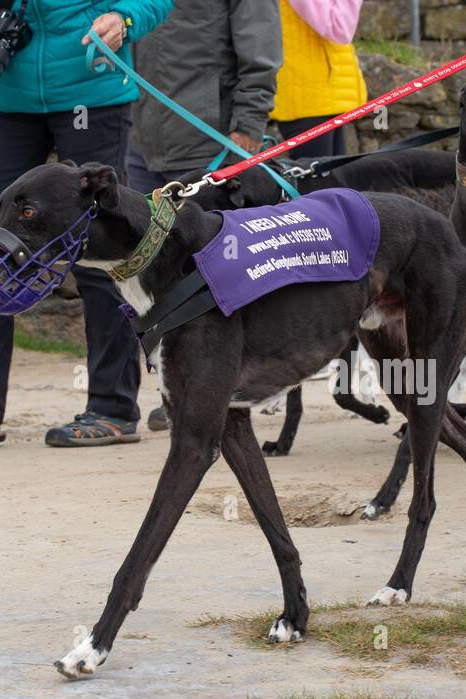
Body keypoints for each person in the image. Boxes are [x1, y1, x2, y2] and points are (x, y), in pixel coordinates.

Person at [0, 0, 172, 448]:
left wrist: (125, 19)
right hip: (8, 95)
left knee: (105, 249)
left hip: (93, 93)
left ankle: (113, 408)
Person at [124, 0, 282, 432]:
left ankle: (216, 387)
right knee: (146, 276)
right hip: (140, 142)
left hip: (207, 142)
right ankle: (162, 391)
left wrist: (247, 127)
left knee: (210, 275)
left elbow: (261, 50)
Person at [270, 0, 367, 158]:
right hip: (307, 98)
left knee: (333, 179)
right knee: (320, 181)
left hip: (322, 94)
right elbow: (338, 26)